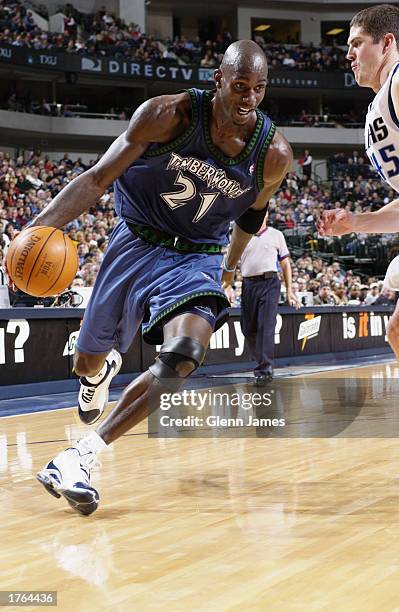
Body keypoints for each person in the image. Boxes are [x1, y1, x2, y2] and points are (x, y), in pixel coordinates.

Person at [30, 40, 292, 515]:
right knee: (87, 361)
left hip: (196, 258)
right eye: (239, 86)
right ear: (218, 80)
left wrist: (228, 267)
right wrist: (37, 228)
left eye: (258, 89)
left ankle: (80, 456)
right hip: (135, 240)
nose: (249, 98)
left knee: (184, 355)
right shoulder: (166, 116)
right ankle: (99, 373)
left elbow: (252, 218)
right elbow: (96, 179)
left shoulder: (272, 154)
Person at [318, 4, 399, 359]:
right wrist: (356, 223)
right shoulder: (377, 107)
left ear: (387, 43)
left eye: (357, 43)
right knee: (396, 331)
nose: (349, 54)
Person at [239, 214, 300, 385]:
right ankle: (262, 364)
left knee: (266, 326)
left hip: (270, 282)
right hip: (248, 284)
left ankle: (264, 370)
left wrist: (290, 290)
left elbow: (285, 264)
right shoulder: (241, 235)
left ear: (266, 214)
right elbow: (230, 261)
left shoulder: (276, 234)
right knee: (248, 329)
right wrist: (227, 285)